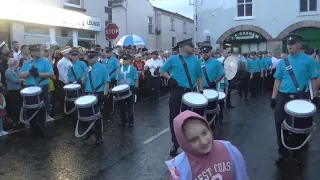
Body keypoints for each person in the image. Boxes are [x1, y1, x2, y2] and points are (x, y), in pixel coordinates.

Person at [270, 33, 319, 165]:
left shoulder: (309, 61)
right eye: (288, 44)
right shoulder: (282, 62)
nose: (289, 46)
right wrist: (273, 98)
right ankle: (282, 151)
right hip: (283, 97)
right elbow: (277, 80)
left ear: (299, 45)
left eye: (292, 43)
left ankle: (298, 152)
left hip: (301, 98)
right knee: (279, 123)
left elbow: (314, 80)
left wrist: (315, 97)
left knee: (300, 126)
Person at [165, 110, 248, 180]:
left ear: (209, 129)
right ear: (184, 143)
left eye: (204, 133)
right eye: (194, 140)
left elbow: (241, 175)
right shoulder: (181, 169)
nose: (203, 142)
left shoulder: (228, 150)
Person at [160, 38, 204, 156]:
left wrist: (201, 91)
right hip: (177, 90)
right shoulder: (173, 59)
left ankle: (190, 141)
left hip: (191, 91)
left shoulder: (196, 60)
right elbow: (162, 70)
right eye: (192, 46)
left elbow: (199, 77)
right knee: (174, 116)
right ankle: (175, 142)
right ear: (185, 48)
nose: (194, 49)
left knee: (190, 118)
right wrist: (170, 79)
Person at [19, 44, 54, 137]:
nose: (38, 52)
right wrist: (29, 72)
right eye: (36, 51)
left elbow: (50, 74)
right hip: (30, 89)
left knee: (42, 109)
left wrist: (39, 74)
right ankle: (34, 130)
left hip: (42, 87)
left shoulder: (45, 62)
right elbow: (20, 75)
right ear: (32, 53)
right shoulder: (27, 63)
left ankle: (42, 130)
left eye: (39, 51)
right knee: (30, 110)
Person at [83, 50, 110, 145]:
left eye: (91, 58)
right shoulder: (87, 69)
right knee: (86, 114)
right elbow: (85, 82)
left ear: (96, 57)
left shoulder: (103, 68)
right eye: (88, 58)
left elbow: (107, 81)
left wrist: (105, 95)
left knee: (97, 116)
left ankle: (99, 136)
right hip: (88, 93)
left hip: (99, 93)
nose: (89, 60)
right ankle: (88, 132)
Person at [200, 46, 225, 124]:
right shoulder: (198, 62)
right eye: (203, 53)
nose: (205, 54)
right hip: (201, 88)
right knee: (202, 107)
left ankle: (213, 122)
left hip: (212, 88)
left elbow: (222, 74)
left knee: (212, 107)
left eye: (207, 52)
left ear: (210, 53)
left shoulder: (216, 62)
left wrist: (215, 82)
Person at [117, 54, 139, 127]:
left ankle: (131, 121)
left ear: (129, 61)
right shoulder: (120, 69)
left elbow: (136, 78)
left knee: (130, 105)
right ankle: (123, 121)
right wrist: (117, 88)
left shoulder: (133, 68)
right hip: (121, 89)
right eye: (124, 60)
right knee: (122, 106)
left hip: (130, 88)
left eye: (126, 60)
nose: (125, 62)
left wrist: (136, 87)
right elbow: (118, 79)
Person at [5, 58, 25, 129]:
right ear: (14, 63)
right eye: (17, 62)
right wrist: (22, 80)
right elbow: (14, 80)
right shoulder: (8, 72)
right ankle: (16, 121)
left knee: (20, 106)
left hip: (19, 91)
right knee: (15, 107)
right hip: (13, 92)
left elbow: (20, 75)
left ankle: (21, 120)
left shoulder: (17, 70)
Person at [101, 47, 120, 115]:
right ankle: (106, 107)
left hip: (112, 78)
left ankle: (111, 109)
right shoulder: (104, 60)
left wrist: (117, 77)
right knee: (105, 93)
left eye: (107, 52)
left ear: (111, 53)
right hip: (105, 78)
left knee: (110, 93)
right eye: (105, 52)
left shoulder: (115, 60)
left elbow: (117, 68)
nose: (106, 54)